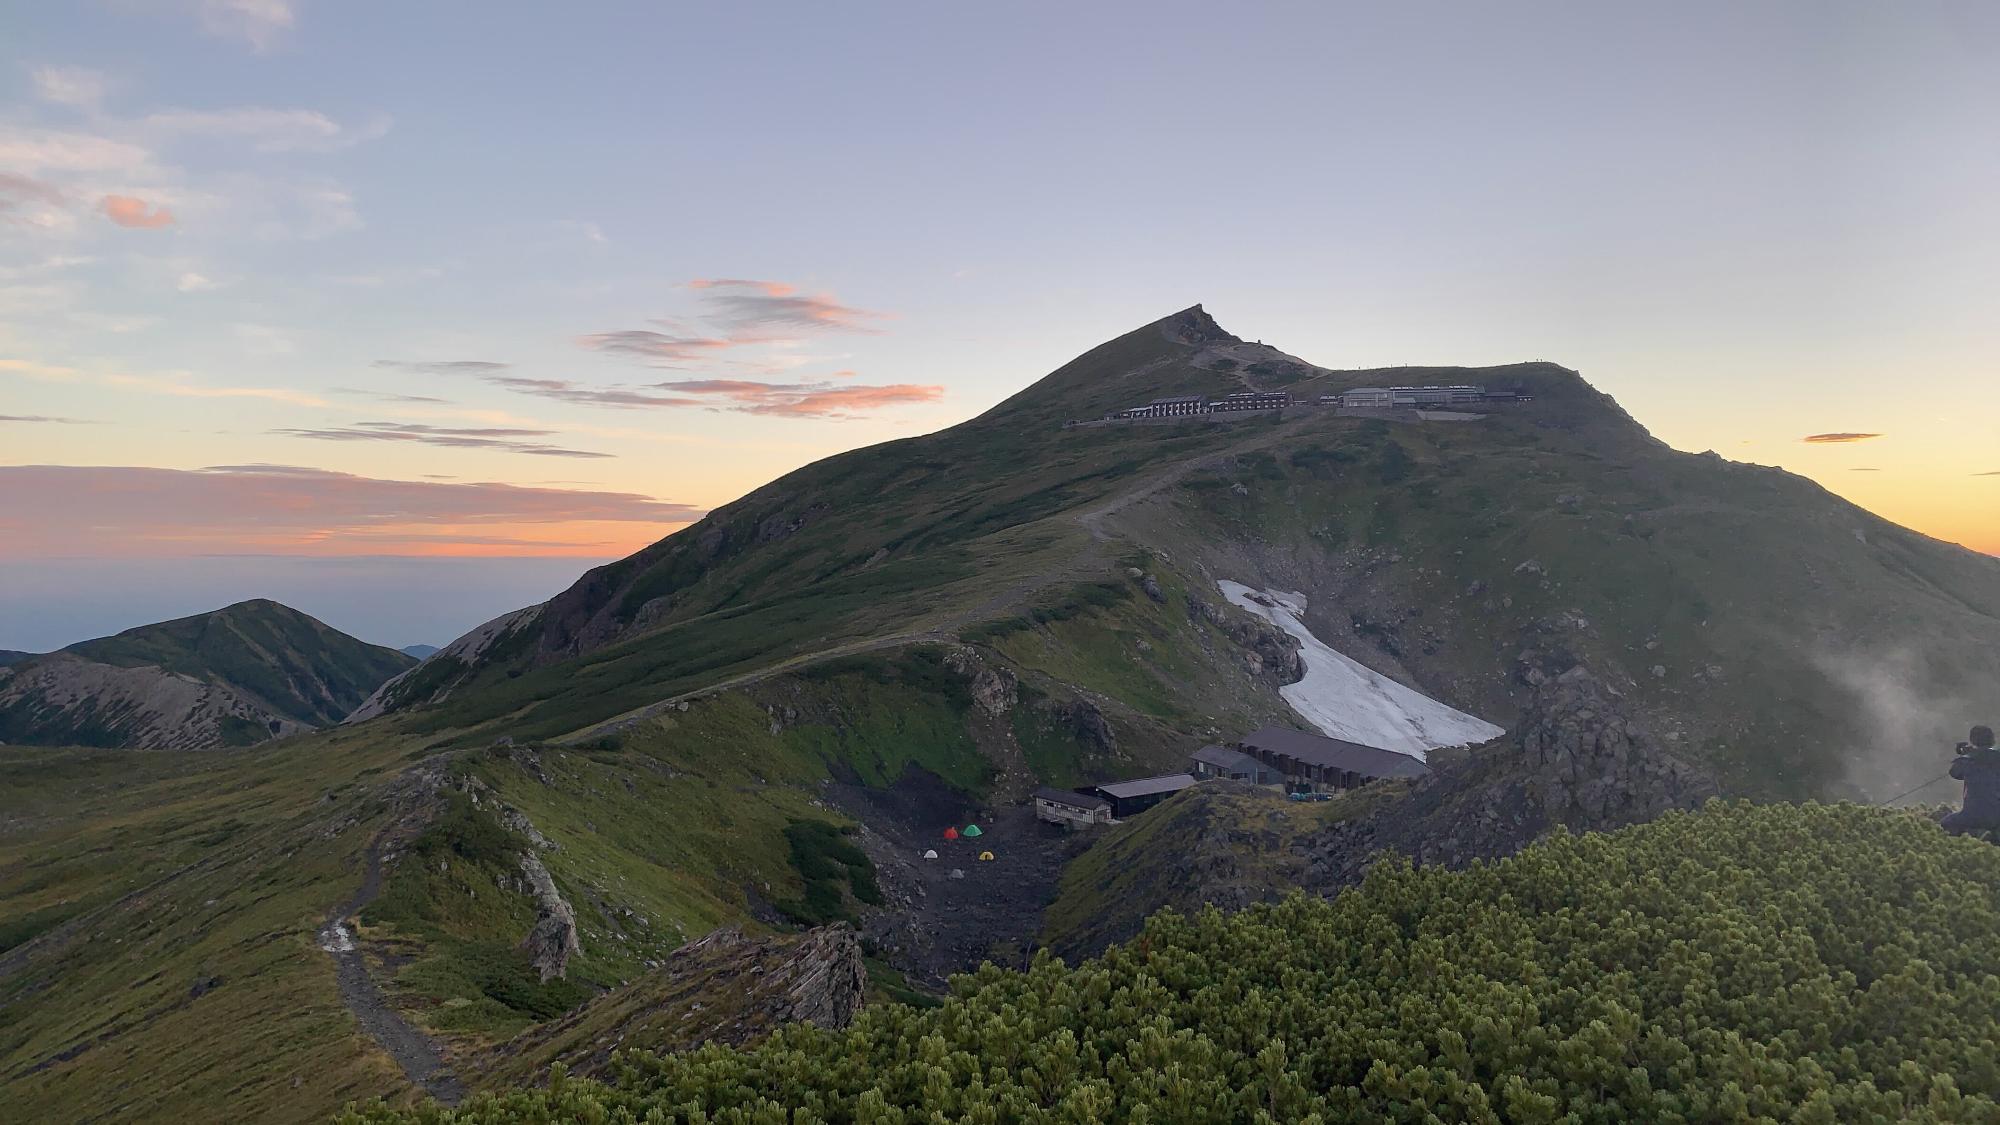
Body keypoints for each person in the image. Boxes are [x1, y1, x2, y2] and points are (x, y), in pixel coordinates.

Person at [1942, 725, 2000, 837]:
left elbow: (1954, 773)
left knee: (1946, 824)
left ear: (1972, 740)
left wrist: (1965, 754)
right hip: (1997, 814)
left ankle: (1976, 836)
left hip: (1973, 814)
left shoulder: (1967, 760)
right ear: (1992, 740)